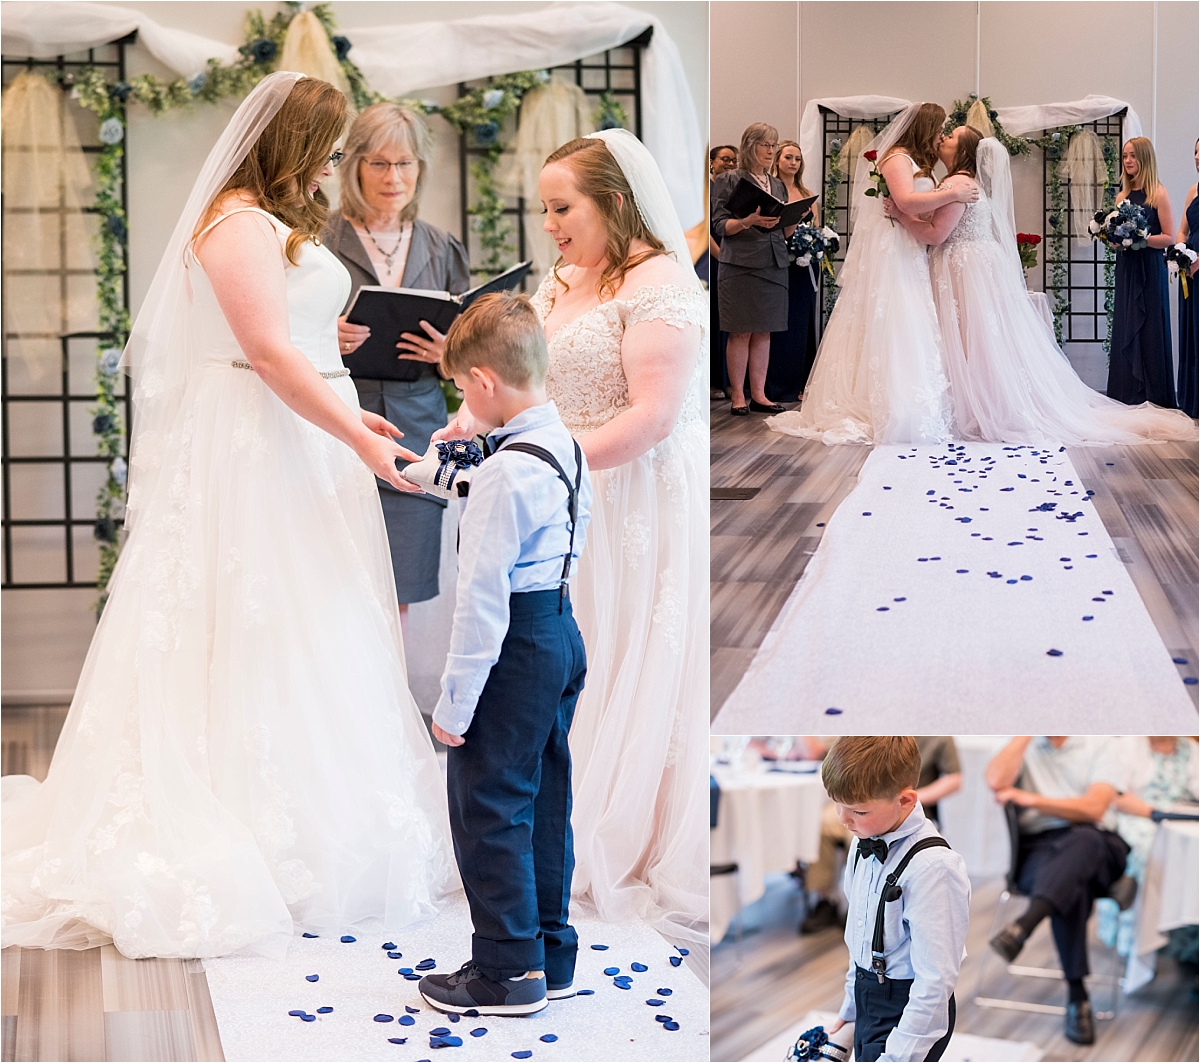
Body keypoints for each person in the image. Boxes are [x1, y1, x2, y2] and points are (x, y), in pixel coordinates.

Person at [0, 74, 455, 959]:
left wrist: (350, 411)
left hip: (307, 432)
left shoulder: (277, 221)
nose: (335, 165)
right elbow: (267, 354)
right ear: (290, 142)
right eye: (327, 148)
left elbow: (304, 352)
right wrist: (358, 437)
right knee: (257, 619)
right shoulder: (237, 221)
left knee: (318, 623)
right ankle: (247, 822)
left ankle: (322, 816)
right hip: (259, 444)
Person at [437, 130, 708, 958]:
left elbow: (653, 416)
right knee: (544, 664)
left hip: (624, 489)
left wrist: (531, 459)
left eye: (563, 208)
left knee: (619, 657)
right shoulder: (561, 282)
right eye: (545, 209)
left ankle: (614, 832)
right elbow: (521, 384)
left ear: (614, 203)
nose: (549, 225)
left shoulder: (660, 285)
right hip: (551, 492)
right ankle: (548, 833)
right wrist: (465, 431)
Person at [417, 293, 589, 1016]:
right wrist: (451, 451)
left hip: (514, 643)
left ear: (484, 380)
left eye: (462, 386)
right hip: (558, 630)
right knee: (542, 798)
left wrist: (453, 707)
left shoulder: (503, 475)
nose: (461, 401)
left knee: (486, 802)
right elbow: (475, 483)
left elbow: (481, 603)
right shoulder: (557, 444)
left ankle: (507, 971)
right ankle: (545, 948)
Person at [887, 131, 1197, 444]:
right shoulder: (964, 183)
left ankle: (979, 406)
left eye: (951, 135)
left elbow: (937, 234)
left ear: (964, 150)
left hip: (963, 268)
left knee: (969, 339)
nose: (943, 137)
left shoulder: (958, 184)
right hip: (967, 267)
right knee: (974, 340)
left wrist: (902, 215)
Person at [326, 103, 471, 631]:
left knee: (399, 584)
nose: (394, 178)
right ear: (354, 167)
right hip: (336, 425)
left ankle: (387, 699)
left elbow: (470, 355)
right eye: (380, 164)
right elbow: (273, 335)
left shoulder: (442, 246)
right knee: (331, 577)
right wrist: (325, 337)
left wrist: (447, 352)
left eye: (405, 164)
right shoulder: (317, 240)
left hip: (417, 432)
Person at [766, 103, 978, 445]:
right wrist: (953, 192)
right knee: (894, 315)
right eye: (939, 128)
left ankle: (910, 399)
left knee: (910, 321)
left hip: (910, 248)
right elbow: (906, 200)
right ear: (924, 127)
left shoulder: (918, 162)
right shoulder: (896, 157)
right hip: (892, 248)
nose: (941, 135)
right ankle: (882, 403)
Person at [821, 737, 970, 1063]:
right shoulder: (862, 841)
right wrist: (851, 1012)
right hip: (868, 995)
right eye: (837, 803)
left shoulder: (934, 869)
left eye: (858, 810)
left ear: (905, 800)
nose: (843, 819)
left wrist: (901, 1054)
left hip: (910, 1009)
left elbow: (936, 980)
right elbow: (859, 939)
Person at [984, 736, 1133, 1046]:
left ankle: (1024, 925)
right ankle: (1077, 997)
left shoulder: (1102, 743)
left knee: (1085, 843)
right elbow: (995, 780)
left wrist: (1031, 800)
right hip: (1040, 851)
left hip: (1100, 846)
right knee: (1071, 884)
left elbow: (1094, 808)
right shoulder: (1025, 745)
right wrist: (1026, 731)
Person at [801, 737, 961, 937]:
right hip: (860, 799)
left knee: (862, 834)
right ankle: (826, 898)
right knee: (822, 824)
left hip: (899, 805)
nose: (843, 819)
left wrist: (898, 798)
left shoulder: (939, 737)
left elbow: (954, 779)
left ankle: (873, 910)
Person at [710, 122, 790, 415]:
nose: (771, 151)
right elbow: (719, 224)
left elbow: (784, 231)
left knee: (764, 331)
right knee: (740, 331)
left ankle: (760, 394)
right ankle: (738, 397)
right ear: (749, 145)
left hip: (773, 261)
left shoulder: (778, 183)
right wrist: (747, 221)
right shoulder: (729, 179)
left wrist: (795, 215)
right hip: (741, 262)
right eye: (765, 145)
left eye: (774, 145)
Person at [1107, 137, 1178, 407]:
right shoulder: (1121, 197)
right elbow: (1116, 240)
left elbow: (1169, 237)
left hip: (1150, 269)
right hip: (1128, 269)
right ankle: (1127, 394)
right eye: (1125, 156)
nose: (1127, 161)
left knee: (1150, 329)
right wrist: (1115, 239)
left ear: (1145, 158)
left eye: (1133, 156)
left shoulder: (1158, 193)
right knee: (1126, 325)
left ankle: (1154, 395)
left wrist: (1140, 239)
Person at [766, 140, 819, 403]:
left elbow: (816, 227)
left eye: (797, 158)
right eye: (788, 157)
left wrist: (814, 244)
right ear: (777, 160)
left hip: (805, 265)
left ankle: (800, 382)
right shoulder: (772, 191)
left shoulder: (806, 192)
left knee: (801, 323)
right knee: (779, 324)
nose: (793, 163)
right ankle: (776, 385)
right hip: (779, 262)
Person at [1176, 140, 1198, 418]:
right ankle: (1193, 399)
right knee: (1192, 332)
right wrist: (1180, 252)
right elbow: (1183, 229)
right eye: (1194, 151)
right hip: (1190, 270)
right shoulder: (1194, 191)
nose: (1196, 157)